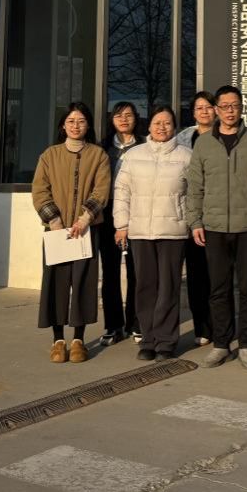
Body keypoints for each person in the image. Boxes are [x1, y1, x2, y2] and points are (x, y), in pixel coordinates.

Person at [187, 85, 247, 370]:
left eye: (234, 105)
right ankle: (222, 344)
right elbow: (195, 186)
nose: (230, 111)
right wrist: (195, 221)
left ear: (241, 107)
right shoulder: (203, 144)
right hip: (214, 226)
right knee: (219, 288)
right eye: (224, 106)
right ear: (216, 109)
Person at [32, 103, 111, 364]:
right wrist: (54, 220)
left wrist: (86, 218)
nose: (76, 126)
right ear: (63, 125)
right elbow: (39, 190)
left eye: (81, 121)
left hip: (85, 231)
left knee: (83, 283)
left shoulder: (98, 155)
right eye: (71, 121)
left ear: (88, 125)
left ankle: (78, 339)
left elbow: (101, 189)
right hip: (56, 230)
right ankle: (58, 340)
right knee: (55, 282)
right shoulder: (49, 155)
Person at [114, 106, 191, 361]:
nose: (162, 127)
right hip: (140, 232)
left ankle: (166, 341)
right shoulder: (133, 155)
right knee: (145, 287)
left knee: (169, 287)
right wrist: (121, 224)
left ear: (174, 127)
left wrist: (191, 223)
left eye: (167, 123)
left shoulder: (186, 156)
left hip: (173, 231)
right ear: (149, 126)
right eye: (157, 122)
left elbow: (194, 194)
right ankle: (148, 340)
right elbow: (122, 191)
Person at [100, 101, 141, 346]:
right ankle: (113, 325)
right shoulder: (103, 148)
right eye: (118, 115)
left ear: (136, 118)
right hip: (107, 215)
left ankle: (135, 323)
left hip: (137, 214)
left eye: (128, 115)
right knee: (110, 271)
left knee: (137, 270)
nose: (124, 119)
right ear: (112, 120)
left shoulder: (145, 146)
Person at [177, 91, 216, 346]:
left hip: (218, 214)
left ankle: (220, 325)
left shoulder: (224, 136)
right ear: (193, 113)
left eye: (208, 107)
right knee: (196, 274)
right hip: (191, 215)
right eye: (199, 108)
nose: (204, 111)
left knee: (218, 275)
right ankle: (202, 326)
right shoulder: (182, 140)